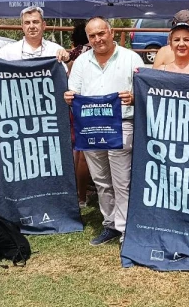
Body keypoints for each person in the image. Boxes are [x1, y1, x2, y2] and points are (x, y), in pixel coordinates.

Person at [64, 16, 144, 246]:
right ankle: (110, 224)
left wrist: (133, 98)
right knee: (100, 179)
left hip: (122, 123)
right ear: (88, 38)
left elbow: (144, 91)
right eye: (92, 36)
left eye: (101, 33)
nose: (98, 39)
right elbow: (73, 92)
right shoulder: (81, 62)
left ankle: (126, 228)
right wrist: (69, 97)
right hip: (90, 126)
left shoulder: (131, 58)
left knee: (122, 180)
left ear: (111, 32)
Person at [0, 6, 70, 65]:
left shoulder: (56, 50)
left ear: (44, 25)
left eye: (35, 22)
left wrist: (67, 60)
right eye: (27, 23)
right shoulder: (9, 50)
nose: (31, 26)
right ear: (22, 27)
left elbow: (69, 76)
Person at [68, 19, 93, 208]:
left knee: (78, 151)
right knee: (83, 153)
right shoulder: (91, 53)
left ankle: (79, 194)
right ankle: (82, 194)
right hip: (93, 104)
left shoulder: (73, 54)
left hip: (75, 104)